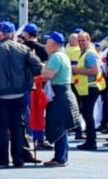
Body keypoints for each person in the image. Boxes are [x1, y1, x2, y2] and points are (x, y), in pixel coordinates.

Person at [0, 21, 41, 169]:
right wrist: (27, 80)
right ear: (13, 34)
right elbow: (37, 67)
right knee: (18, 127)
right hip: (19, 93)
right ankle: (18, 159)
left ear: (0, 34)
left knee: (0, 127)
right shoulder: (24, 49)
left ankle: (2, 159)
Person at [39, 32, 80, 167]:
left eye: (47, 42)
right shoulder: (62, 55)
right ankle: (61, 156)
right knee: (62, 127)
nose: (45, 45)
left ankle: (60, 157)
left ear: (54, 44)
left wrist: (41, 69)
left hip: (60, 94)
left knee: (59, 126)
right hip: (63, 93)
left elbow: (48, 75)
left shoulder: (56, 57)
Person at [72, 32, 103, 151]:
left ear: (88, 40)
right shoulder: (85, 53)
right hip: (86, 88)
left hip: (91, 88)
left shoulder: (90, 53)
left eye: (83, 40)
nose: (80, 43)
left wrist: (77, 70)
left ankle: (91, 141)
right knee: (86, 114)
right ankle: (90, 140)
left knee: (88, 115)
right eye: (79, 41)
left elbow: (94, 70)